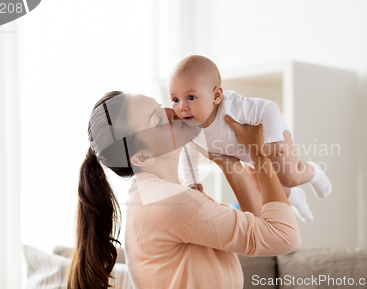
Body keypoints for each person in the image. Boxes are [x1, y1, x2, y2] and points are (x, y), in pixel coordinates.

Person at [67, 91, 300, 289]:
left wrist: (227, 161)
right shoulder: (168, 203)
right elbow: (283, 237)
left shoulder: (163, 195)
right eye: (157, 120)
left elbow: (259, 226)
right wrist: (258, 153)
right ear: (142, 156)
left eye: (160, 105)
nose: (173, 111)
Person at [169, 55, 332, 223]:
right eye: (175, 99)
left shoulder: (232, 106)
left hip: (273, 138)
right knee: (270, 192)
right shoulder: (188, 128)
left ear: (216, 95)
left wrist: (273, 138)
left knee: (289, 178)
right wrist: (191, 181)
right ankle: (297, 198)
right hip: (248, 156)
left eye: (190, 97)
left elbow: (269, 108)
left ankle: (314, 172)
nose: (181, 107)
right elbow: (188, 153)